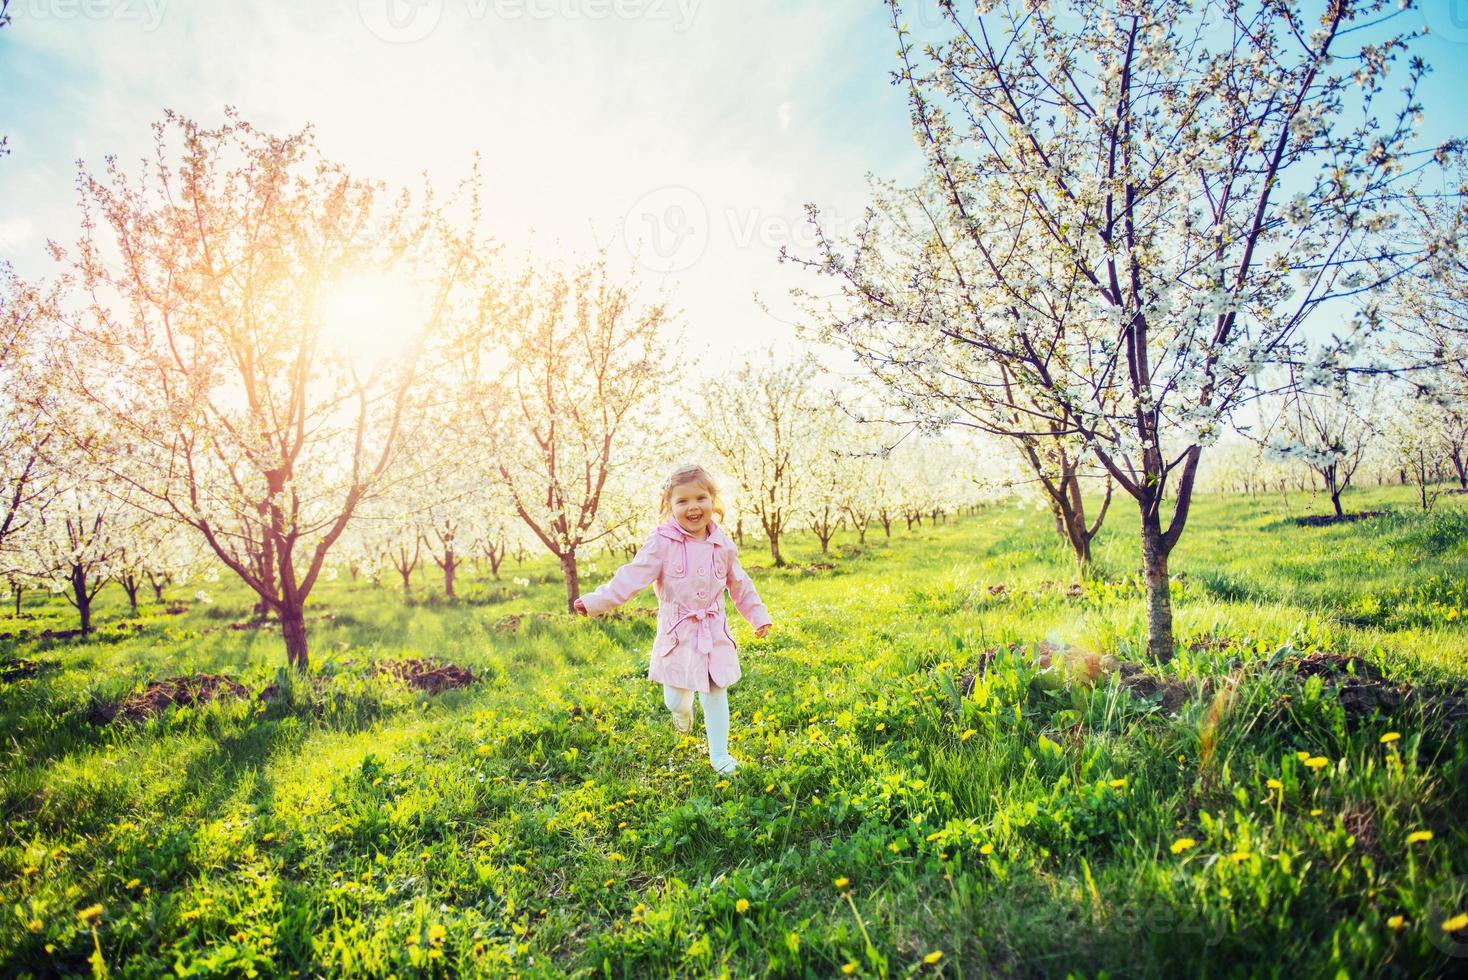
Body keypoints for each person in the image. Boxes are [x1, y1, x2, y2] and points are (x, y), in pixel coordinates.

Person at [573, 464, 772, 774]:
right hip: (678, 635)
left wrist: (757, 616)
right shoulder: (662, 542)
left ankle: (720, 756)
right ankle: (682, 711)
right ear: (669, 506)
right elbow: (632, 577)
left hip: (712, 631)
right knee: (675, 699)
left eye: (700, 498)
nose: (693, 507)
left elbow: (740, 583)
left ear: (713, 500)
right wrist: (596, 602)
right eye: (683, 501)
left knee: (716, 690)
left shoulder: (722, 543)